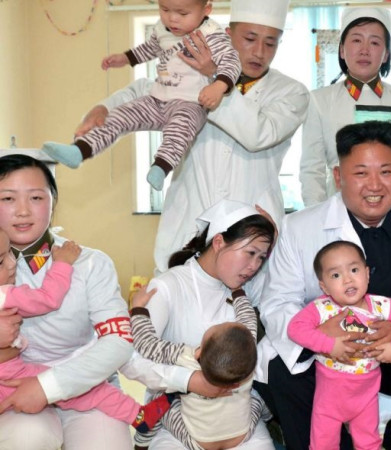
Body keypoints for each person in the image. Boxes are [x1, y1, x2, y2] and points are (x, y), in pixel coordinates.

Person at [258, 121, 391, 450]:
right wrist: (323, 335)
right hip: (328, 356)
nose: (374, 185)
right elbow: (278, 302)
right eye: (360, 173)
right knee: (282, 372)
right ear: (338, 176)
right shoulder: (299, 227)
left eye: (386, 172)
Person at [78, 0, 308, 274]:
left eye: (270, 43)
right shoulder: (192, 72)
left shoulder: (292, 92)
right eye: (249, 39)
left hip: (252, 231)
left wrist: (216, 80)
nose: (259, 52)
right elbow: (146, 90)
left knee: (250, 315)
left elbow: (256, 135)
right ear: (227, 34)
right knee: (181, 308)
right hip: (190, 222)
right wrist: (103, 109)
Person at [43, 0, 241, 191]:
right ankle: (80, 150)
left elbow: (232, 62)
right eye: (165, 9)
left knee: (179, 130)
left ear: (206, 9)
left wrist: (218, 86)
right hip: (157, 99)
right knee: (119, 115)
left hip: (190, 104)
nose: (172, 19)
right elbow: (149, 48)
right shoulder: (163, 29)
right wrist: (125, 58)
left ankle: (160, 167)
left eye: (182, 13)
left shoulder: (212, 35)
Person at [0, 154, 134, 450]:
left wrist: (49, 386)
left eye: (35, 197)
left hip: (89, 385)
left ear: (53, 201)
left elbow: (118, 341)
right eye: (8, 198)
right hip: (12, 390)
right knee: (27, 439)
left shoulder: (89, 263)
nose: (22, 211)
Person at [120, 199, 276, 449]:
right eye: (250, 253)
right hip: (179, 417)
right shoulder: (168, 286)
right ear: (218, 242)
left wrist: (274, 236)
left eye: (261, 257)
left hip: (237, 418)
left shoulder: (245, 289)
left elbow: (282, 280)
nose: (254, 266)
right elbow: (130, 358)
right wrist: (189, 380)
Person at [0, 233, 174, 434]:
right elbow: (48, 298)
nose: (13, 264)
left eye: (9, 256)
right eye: (1, 261)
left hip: (17, 373)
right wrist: (62, 264)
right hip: (13, 374)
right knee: (87, 392)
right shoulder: (5, 294)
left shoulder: (92, 262)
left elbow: (118, 342)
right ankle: (138, 415)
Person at [287, 241, 391, 450]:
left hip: (366, 397)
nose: (348, 279)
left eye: (354, 269)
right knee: (323, 444)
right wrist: (328, 345)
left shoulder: (380, 305)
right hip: (329, 400)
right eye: (335, 275)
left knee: (369, 442)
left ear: (367, 274)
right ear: (323, 286)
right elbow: (295, 328)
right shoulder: (322, 308)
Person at [300, 7, 391, 207]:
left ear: (386, 54)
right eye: (356, 40)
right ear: (341, 49)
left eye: (374, 42)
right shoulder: (320, 100)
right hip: (337, 208)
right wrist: (317, 216)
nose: (365, 50)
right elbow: (312, 168)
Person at [130, 283, 262, 450]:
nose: (223, 322)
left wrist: (138, 308)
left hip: (199, 442)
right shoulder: (246, 356)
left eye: (218, 326)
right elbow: (248, 318)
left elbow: (147, 345)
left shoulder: (188, 357)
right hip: (241, 435)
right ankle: (269, 415)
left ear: (200, 352)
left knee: (158, 400)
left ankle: (142, 441)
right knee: (257, 400)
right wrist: (238, 291)